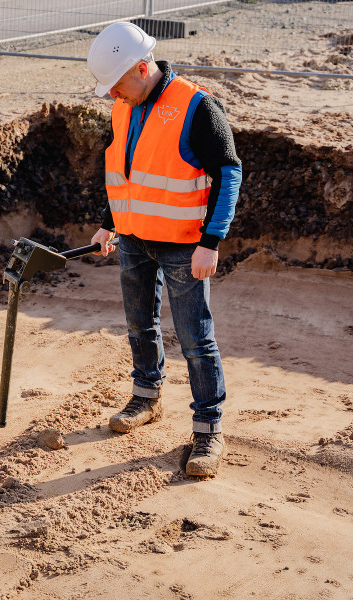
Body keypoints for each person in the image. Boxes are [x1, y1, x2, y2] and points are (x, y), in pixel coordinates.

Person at [86, 22, 242, 478]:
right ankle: (146, 397)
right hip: (134, 239)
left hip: (183, 247)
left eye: (117, 84)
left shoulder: (197, 106)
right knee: (139, 323)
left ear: (141, 68)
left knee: (195, 339)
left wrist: (211, 242)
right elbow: (125, 168)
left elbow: (228, 173)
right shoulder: (123, 106)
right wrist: (108, 223)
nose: (114, 95)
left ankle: (208, 429)